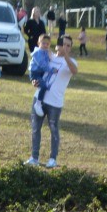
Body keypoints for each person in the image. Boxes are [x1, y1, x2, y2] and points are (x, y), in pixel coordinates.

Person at [27, 34, 74, 169]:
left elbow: (74, 71)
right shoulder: (47, 55)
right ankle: (34, 157)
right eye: (62, 43)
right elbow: (37, 68)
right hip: (40, 99)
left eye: (68, 45)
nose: (64, 47)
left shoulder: (70, 62)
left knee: (54, 130)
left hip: (55, 103)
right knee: (36, 129)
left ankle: (52, 159)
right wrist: (34, 81)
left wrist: (65, 56)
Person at [27, 32, 52, 119]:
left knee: (45, 85)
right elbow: (42, 64)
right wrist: (51, 70)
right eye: (43, 43)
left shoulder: (45, 52)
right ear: (38, 43)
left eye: (47, 44)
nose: (45, 45)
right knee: (44, 86)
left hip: (40, 72)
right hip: (35, 73)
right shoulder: (38, 53)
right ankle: (38, 103)